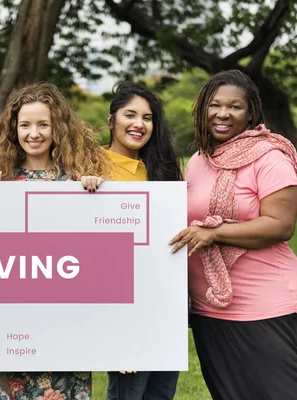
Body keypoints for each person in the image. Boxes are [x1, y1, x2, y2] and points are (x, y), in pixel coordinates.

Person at [169, 70, 297, 400]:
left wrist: (216, 233)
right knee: (231, 393)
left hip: (263, 300)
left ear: (250, 113)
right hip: (210, 305)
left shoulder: (270, 158)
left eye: (234, 106)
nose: (222, 113)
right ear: (202, 109)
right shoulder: (198, 160)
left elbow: (280, 225)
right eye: (214, 105)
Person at [0, 82, 111, 399]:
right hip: (13, 320)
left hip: (66, 319)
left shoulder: (77, 182)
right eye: (25, 125)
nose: (33, 133)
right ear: (14, 129)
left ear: (57, 128)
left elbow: (98, 250)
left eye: (42, 125)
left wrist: (97, 194)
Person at [103, 82, 182, 400]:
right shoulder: (90, 167)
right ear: (111, 121)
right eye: (130, 115)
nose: (138, 124)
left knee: (160, 394)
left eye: (147, 118)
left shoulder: (161, 172)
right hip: (122, 306)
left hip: (165, 303)